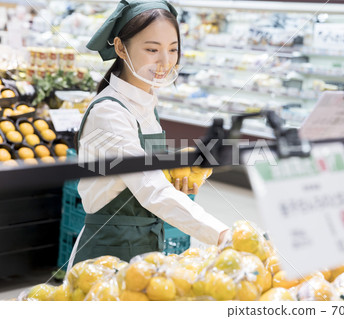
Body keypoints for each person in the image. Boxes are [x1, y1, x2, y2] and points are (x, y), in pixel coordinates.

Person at [70, 0, 229, 266]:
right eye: (152, 49)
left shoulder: (147, 103)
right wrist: (222, 234)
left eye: (173, 49)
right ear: (120, 47)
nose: (165, 62)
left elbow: (147, 174)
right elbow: (151, 189)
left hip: (147, 246)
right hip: (108, 253)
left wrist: (179, 167)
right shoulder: (110, 112)